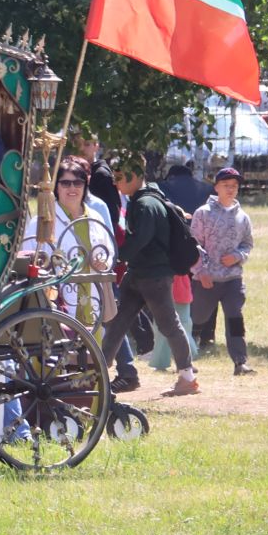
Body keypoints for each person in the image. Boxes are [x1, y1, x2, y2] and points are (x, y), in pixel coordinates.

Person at [97, 163, 200, 395]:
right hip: (140, 273)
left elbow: (139, 240)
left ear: (134, 176)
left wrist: (116, 257)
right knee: (117, 321)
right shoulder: (148, 198)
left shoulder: (145, 204)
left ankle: (187, 377)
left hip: (153, 276)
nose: (115, 182)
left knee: (169, 324)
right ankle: (99, 372)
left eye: (120, 177)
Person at [20, 156, 117, 324]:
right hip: (56, 305)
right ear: (56, 187)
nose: (72, 188)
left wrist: (103, 263)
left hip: (93, 299)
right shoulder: (43, 221)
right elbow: (29, 257)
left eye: (78, 183)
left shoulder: (95, 218)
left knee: (92, 347)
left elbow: (109, 251)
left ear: (85, 186)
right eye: (65, 183)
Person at [189, 166, 255, 375]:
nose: (230, 190)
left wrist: (237, 256)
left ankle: (240, 361)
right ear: (216, 187)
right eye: (226, 185)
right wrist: (201, 271)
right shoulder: (203, 214)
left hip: (232, 279)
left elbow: (247, 244)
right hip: (206, 279)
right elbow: (194, 245)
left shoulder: (242, 217)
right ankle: (188, 355)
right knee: (198, 317)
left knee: (235, 316)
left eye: (234, 186)